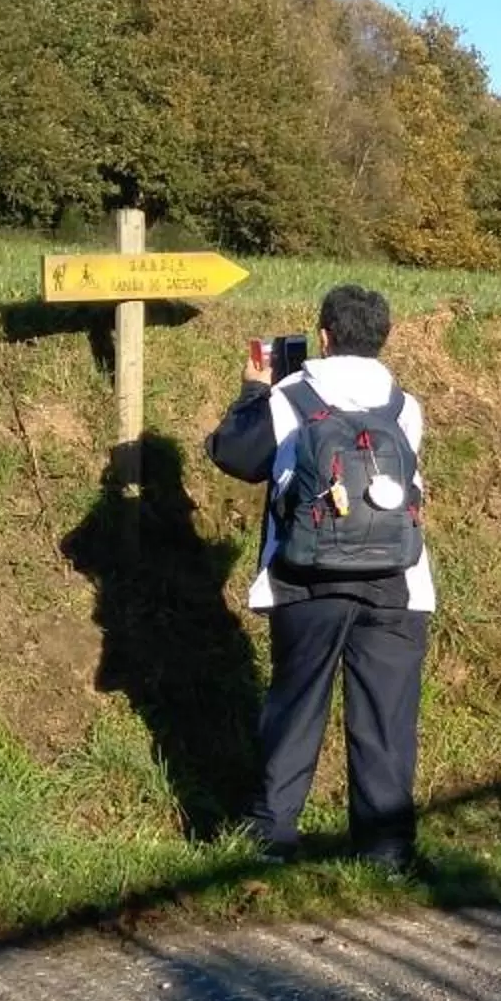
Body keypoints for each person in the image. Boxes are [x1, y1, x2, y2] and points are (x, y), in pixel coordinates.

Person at [205, 285, 435, 872]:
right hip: (399, 582)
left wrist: (253, 390)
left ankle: (271, 837)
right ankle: (386, 855)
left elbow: (234, 455)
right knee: (386, 720)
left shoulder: (290, 397)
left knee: (296, 708)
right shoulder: (405, 406)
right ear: (383, 337)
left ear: (325, 336)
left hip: (304, 580)